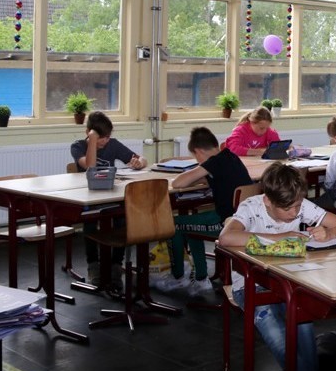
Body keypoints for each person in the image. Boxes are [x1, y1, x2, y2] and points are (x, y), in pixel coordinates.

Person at [219, 162, 336, 371]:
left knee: (304, 326)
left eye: (298, 207)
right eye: (288, 209)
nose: (295, 213)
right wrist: (280, 237)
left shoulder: (299, 204)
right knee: (279, 339)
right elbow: (226, 237)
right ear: (268, 201)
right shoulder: (251, 207)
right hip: (250, 286)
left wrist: (329, 233)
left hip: (289, 284)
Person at [152, 127, 253, 297]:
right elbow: (208, 179)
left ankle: (179, 277)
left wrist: (197, 171)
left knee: (174, 225)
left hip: (225, 224)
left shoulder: (213, 162)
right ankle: (200, 278)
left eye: (195, 156)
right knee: (192, 225)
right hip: (240, 220)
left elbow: (177, 183)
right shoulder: (230, 156)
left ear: (198, 151)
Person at [70, 111, 148, 288]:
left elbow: (141, 158)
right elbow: (90, 167)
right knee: (90, 223)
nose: (105, 141)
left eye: (107, 137)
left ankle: (116, 265)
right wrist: (92, 141)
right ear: (89, 133)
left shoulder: (113, 144)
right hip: (89, 199)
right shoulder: (78, 147)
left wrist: (139, 163)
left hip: (110, 196)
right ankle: (93, 265)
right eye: (101, 138)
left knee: (122, 218)